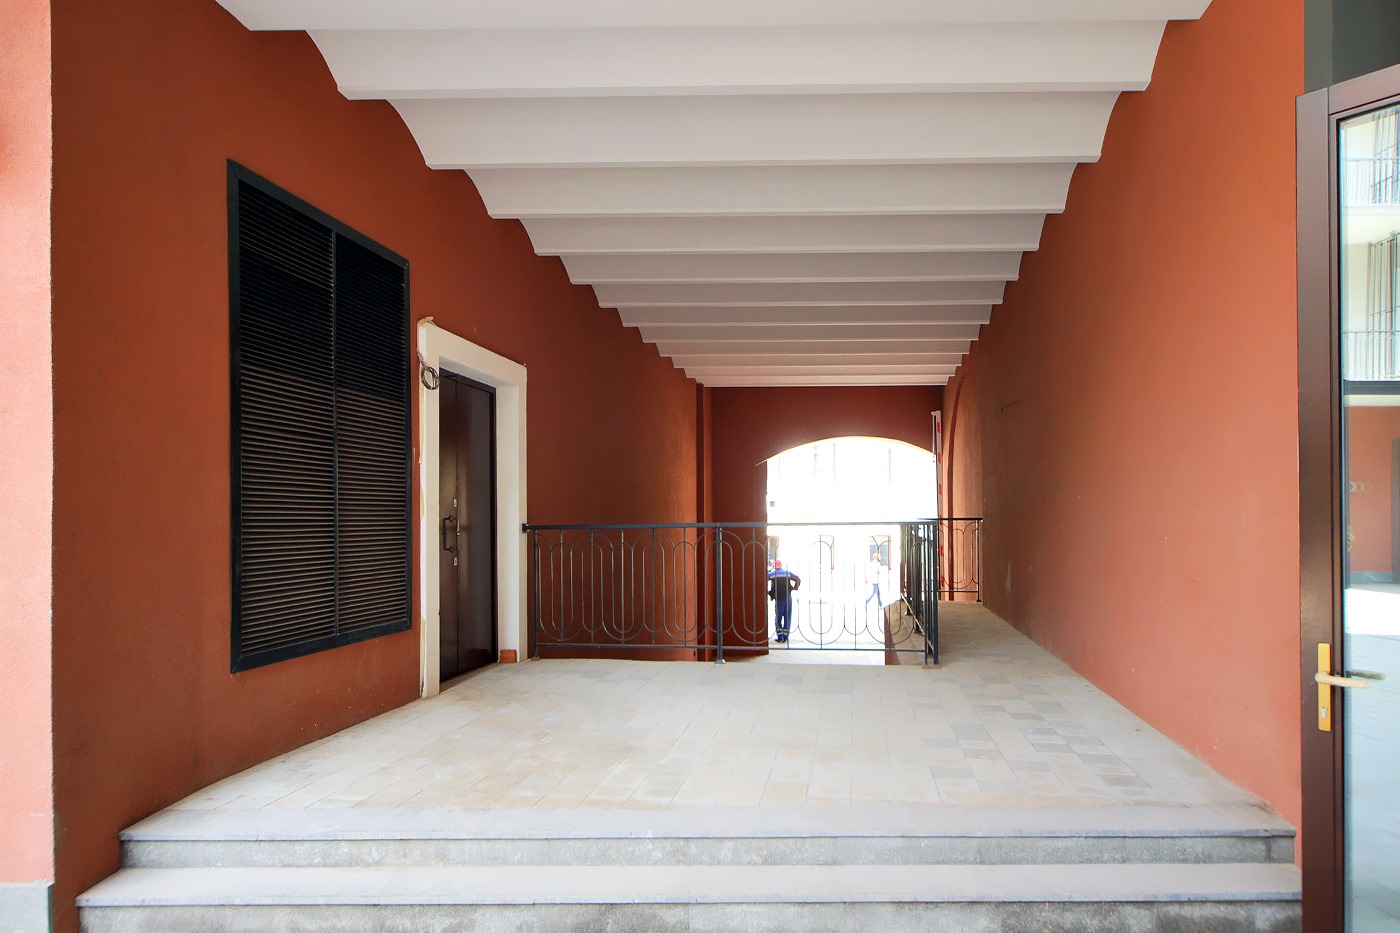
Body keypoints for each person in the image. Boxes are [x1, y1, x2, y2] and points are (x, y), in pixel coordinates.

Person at [767, 560, 802, 644]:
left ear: (775, 566)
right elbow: (798, 579)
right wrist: (794, 588)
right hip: (788, 597)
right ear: (781, 565)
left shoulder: (772, 574)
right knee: (787, 616)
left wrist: (769, 592)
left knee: (778, 617)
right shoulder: (787, 573)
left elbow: (764, 578)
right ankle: (786, 636)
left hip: (779, 598)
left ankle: (780, 637)